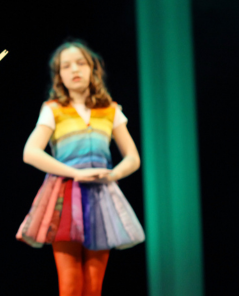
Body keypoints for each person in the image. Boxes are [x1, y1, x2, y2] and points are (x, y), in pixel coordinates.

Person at [18, 40, 145, 296]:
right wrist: (76, 173)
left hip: (100, 197)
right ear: (60, 75)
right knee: (70, 283)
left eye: (81, 63)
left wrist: (113, 174)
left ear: (92, 68)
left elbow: (132, 157)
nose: (74, 69)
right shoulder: (53, 109)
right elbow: (30, 153)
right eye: (66, 66)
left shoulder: (110, 110)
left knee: (94, 285)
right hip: (65, 197)